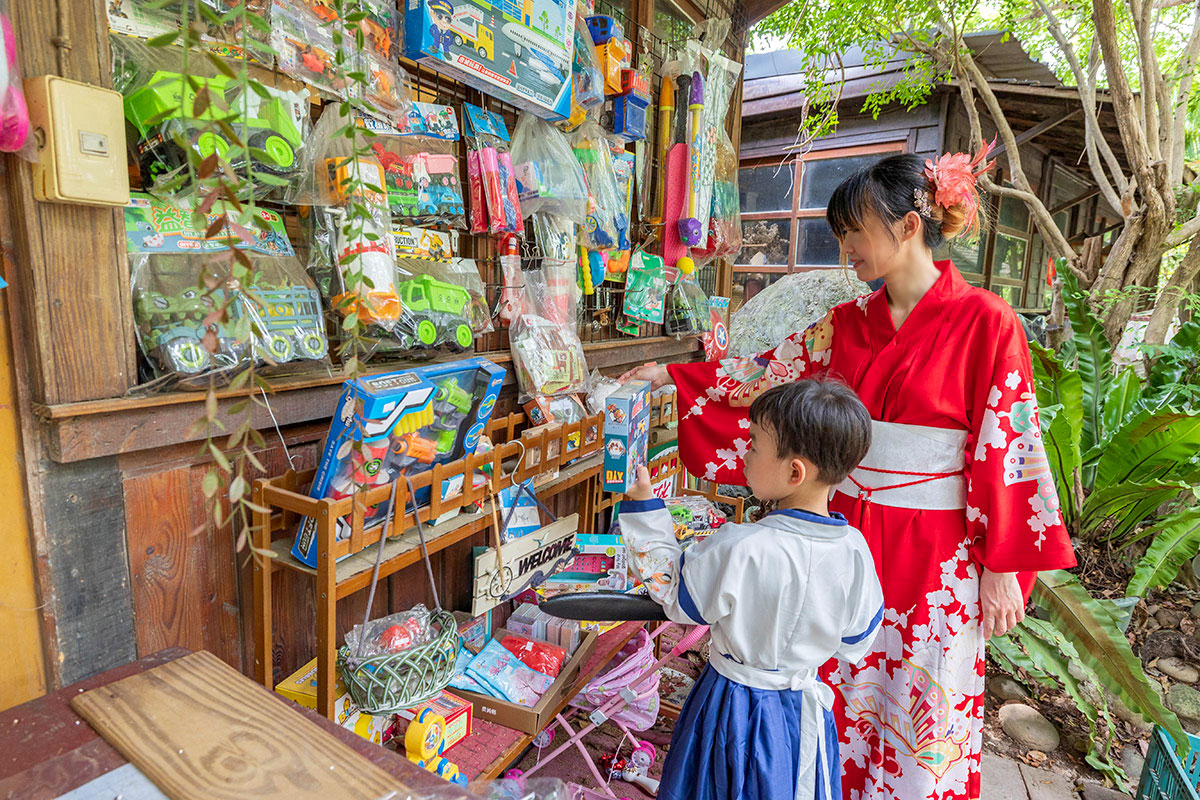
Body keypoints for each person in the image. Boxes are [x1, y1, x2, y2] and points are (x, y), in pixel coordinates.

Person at [621, 146, 1076, 799]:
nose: (846, 250)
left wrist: (1002, 563)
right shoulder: (844, 324)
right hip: (843, 532)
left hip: (935, 550)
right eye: (842, 236)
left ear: (909, 226)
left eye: (854, 232)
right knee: (832, 696)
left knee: (921, 701)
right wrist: (672, 374)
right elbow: (760, 380)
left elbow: (1008, 441)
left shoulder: (987, 321)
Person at [620, 379, 885, 800]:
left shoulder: (742, 546)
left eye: (755, 445)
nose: (745, 452)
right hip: (802, 716)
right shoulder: (855, 551)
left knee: (715, 786)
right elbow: (856, 639)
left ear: (794, 471)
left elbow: (673, 592)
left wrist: (642, 505)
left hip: (731, 709)